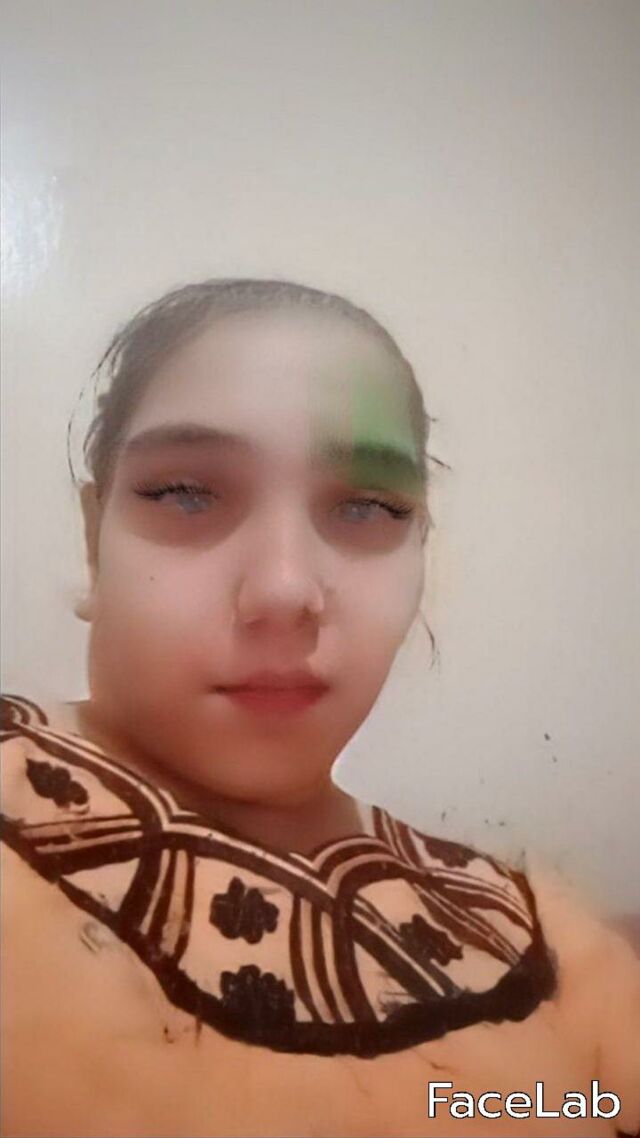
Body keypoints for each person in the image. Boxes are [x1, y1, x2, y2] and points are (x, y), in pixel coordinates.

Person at [1, 279, 638, 1138]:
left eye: (369, 506)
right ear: (93, 539)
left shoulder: (542, 937)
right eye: (186, 491)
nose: (284, 589)